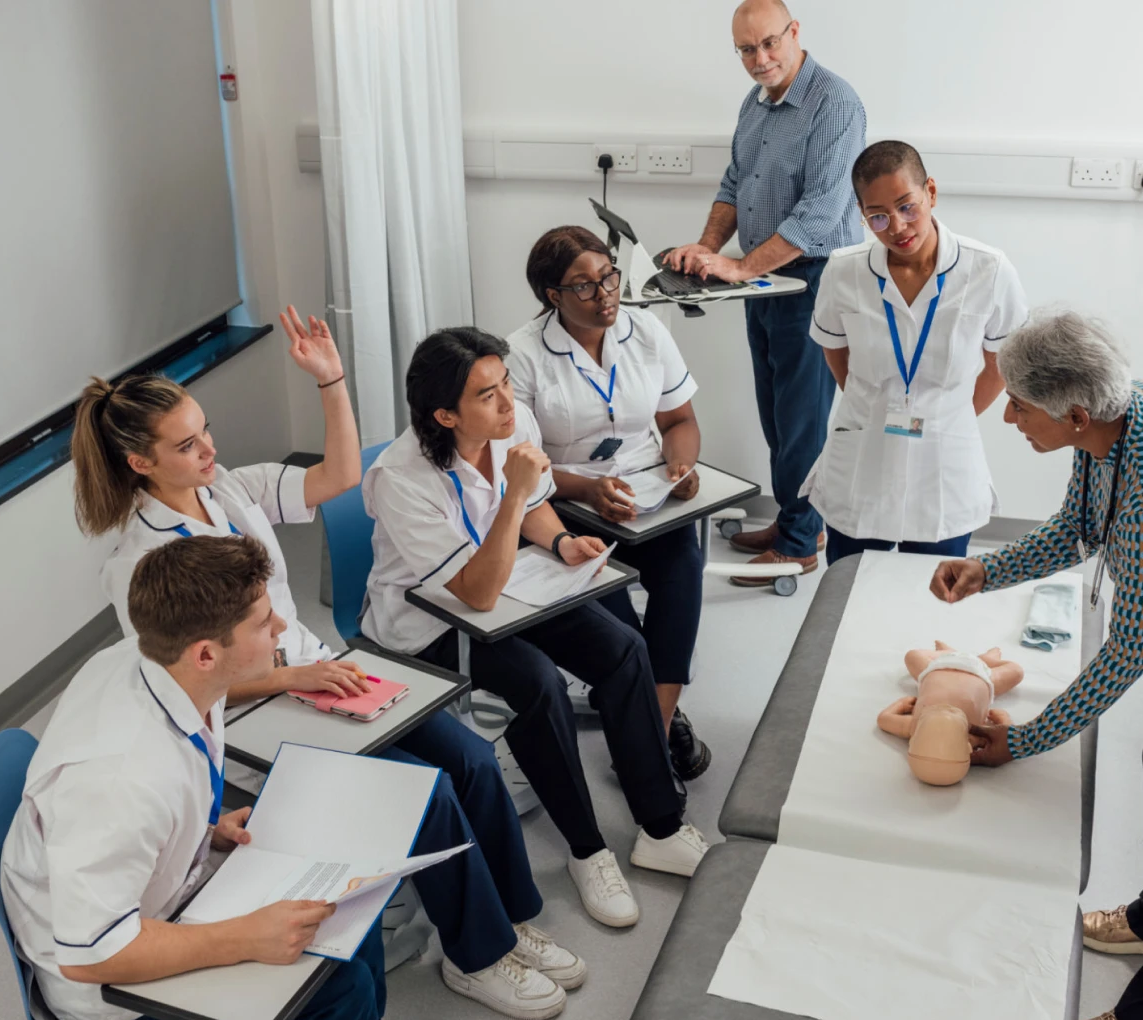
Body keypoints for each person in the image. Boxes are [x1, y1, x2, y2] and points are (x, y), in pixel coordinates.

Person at [69, 308, 583, 1020]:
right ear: (140, 463)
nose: (209, 450)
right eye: (188, 446)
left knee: (468, 758)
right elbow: (181, 686)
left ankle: (512, 917)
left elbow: (341, 474)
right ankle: (478, 956)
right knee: (425, 791)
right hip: (252, 717)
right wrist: (289, 678)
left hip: (319, 674)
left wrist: (330, 381)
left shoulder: (228, 493)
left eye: (206, 431)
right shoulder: (139, 565)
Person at [0, 535, 432, 1020]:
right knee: (337, 985)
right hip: (107, 976)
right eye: (262, 622)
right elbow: (93, 956)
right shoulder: (119, 781)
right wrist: (246, 938)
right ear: (206, 652)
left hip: (156, 892)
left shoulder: (148, 661)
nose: (280, 628)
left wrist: (204, 832)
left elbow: (158, 798)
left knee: (341, 900)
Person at [929, 312, 1143, 1020]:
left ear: (1075, 414)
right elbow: (1079, 527)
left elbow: (1126, 654)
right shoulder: (1119, 417)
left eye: (1018, 404)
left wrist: (1023, 741)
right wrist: (990, 570)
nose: (1009, 415)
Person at [361, 326, 710, 929]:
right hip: (430, 623)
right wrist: (515, 495)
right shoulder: (401, 479)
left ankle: (660, 825)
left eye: (505, 385)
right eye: (488, 395)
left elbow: (537, 507)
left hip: (513, 587)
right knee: (537, 683)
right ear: (445, 414)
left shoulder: (510, 423)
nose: (508, 404)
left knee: (625, 648)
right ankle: (587, 850)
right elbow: (474, 590)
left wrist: (561, 538)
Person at [664, 0, 865, 586]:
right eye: (746, 50)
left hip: (814, 282)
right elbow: (735, 183)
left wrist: (741, 268)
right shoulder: (755, 106)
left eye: (770, 43)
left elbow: (820, 216)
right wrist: (707, 251)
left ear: (795, 32)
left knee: (801, 421)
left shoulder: (835, 102)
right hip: (763, 284)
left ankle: (802, 543)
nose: (760, 59)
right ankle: (795, 520)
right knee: (776, 418)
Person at [504, 225, 710, 781]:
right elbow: (523, 465)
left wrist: (679, 466)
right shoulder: (521, 356)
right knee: (617, 622)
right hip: (564, 503)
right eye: (585, 287)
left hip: (648, 492)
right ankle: (647, 731)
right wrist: (587, 489)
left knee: (683, 566)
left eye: (609, 277)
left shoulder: (644, 329)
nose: (606, 295)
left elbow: (680, 422)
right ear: (553, 296)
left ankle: (655, 727)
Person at [803, 140, 1026, 565]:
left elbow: (1002, 363)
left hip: (943, 458)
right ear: (863, 216)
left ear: (932, 193)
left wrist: (947, 413)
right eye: (879, 216)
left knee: (932, 593)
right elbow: (835, 350)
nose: (898, 227)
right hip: (863, 449)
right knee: (848, 586)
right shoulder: (844, 270)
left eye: (908, 206)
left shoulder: (988, 269)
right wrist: (875, 405)